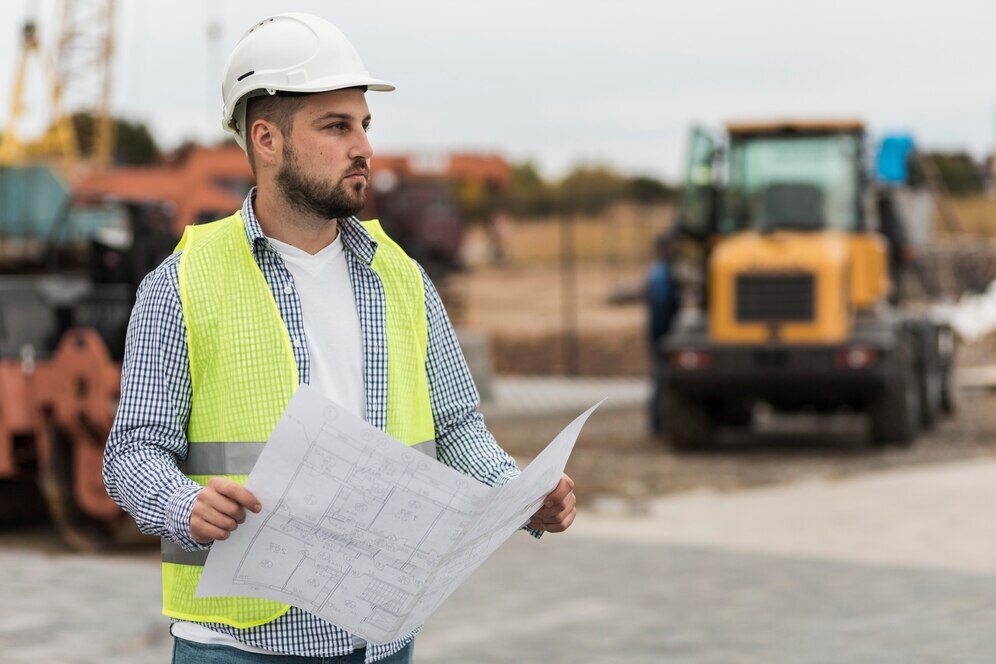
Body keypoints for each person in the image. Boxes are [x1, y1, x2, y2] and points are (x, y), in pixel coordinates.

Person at [102, 13, 576, 664]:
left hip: (378, 639)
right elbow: (131, 454)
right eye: (336, 126)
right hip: (237, 647)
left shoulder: (403, 278)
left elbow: (459, 429)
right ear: (266, 140)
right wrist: (182, 503)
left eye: (364, 125)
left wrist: (518, 496)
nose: (363, 147)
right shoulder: (180, 285)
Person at [646, 231, 680, 436]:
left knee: (660, 379)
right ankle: (657, 423)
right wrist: (664, 335)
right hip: (661, 333)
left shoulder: (661, 272)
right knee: (660, 379)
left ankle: (657, 422)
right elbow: (661, 305)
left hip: (660, 333)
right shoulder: (661, 274)